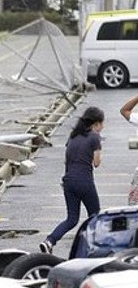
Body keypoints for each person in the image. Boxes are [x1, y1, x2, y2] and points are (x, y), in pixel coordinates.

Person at [39, 106, 105, 254]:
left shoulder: (73, 136)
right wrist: (100, 148)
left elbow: (67, 160)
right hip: (84, 181)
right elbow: (96, 163)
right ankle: (94, 247)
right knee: (95, 216)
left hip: (68, 181)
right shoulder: (95, 137)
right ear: (96, 124)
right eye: (102, 123)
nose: (103, 127)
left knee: (72, 218)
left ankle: (49, 241)